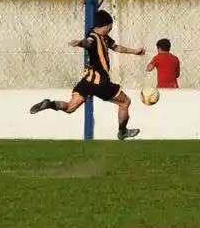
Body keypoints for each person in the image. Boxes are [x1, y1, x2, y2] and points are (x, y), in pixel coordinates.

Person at [29, 10, 146, 140]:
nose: (111, 28)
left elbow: (117, 47)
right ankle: (122, 131)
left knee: (70, 107)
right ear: (106, 25)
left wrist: (135, 51)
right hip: (100, 82)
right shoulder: (94, 38)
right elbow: (88, 43)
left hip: (87, 81)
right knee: (125, 102)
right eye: (110, 26)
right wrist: (79, 43)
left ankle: (49, 104)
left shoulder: (104, 37)